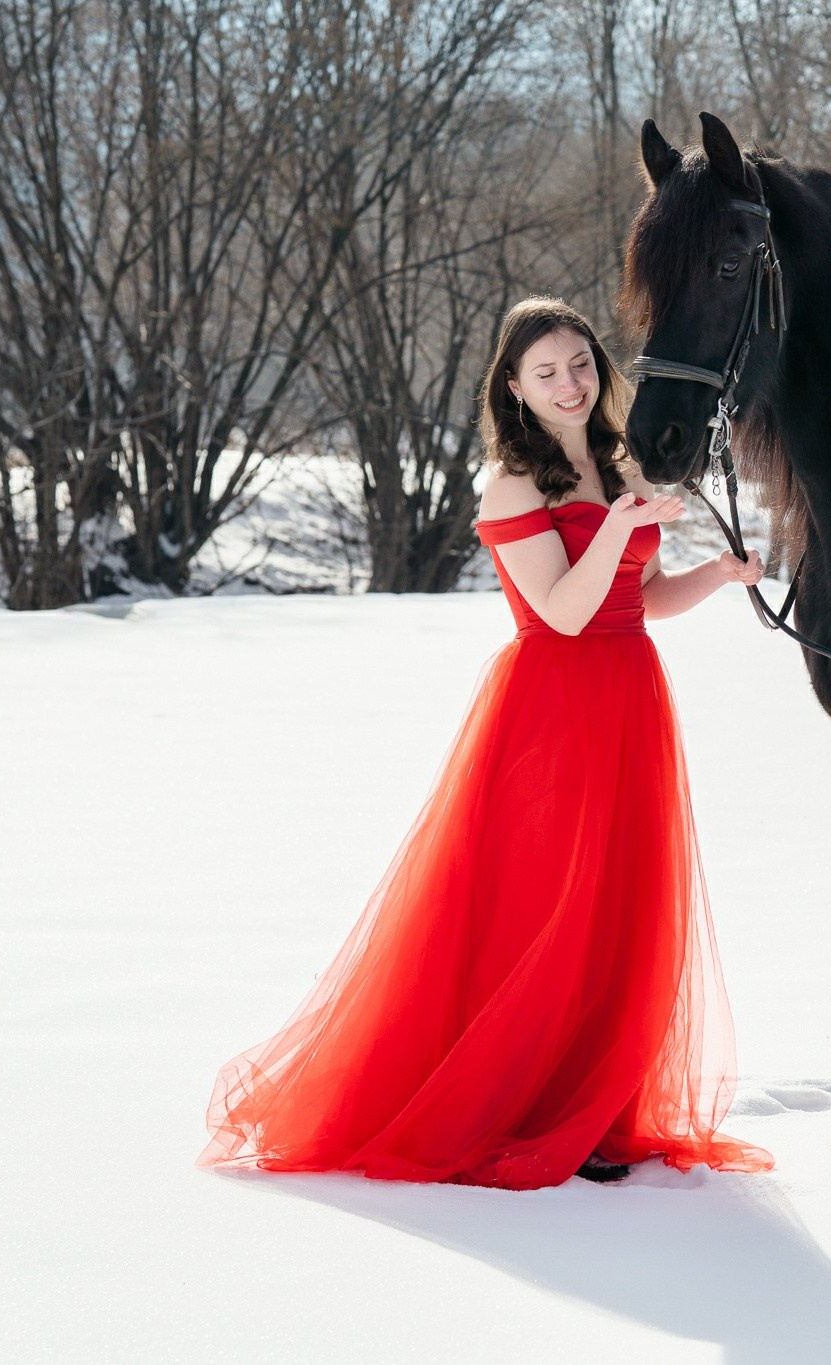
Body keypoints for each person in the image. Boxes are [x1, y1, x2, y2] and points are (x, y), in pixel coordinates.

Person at [200, 297, 770, 1189]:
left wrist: (719, 574)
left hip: (631, 697)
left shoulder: (622, 459)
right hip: (553, 707)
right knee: (546, 909)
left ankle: (591, 1105)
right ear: (513, 387)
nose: (570, 384)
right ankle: (530, 1107)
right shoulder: (513, 482)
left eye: (580, 363)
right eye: (546, 373)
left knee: (620, 904)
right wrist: (621, 526)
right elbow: (564, 612)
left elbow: (640, 601)